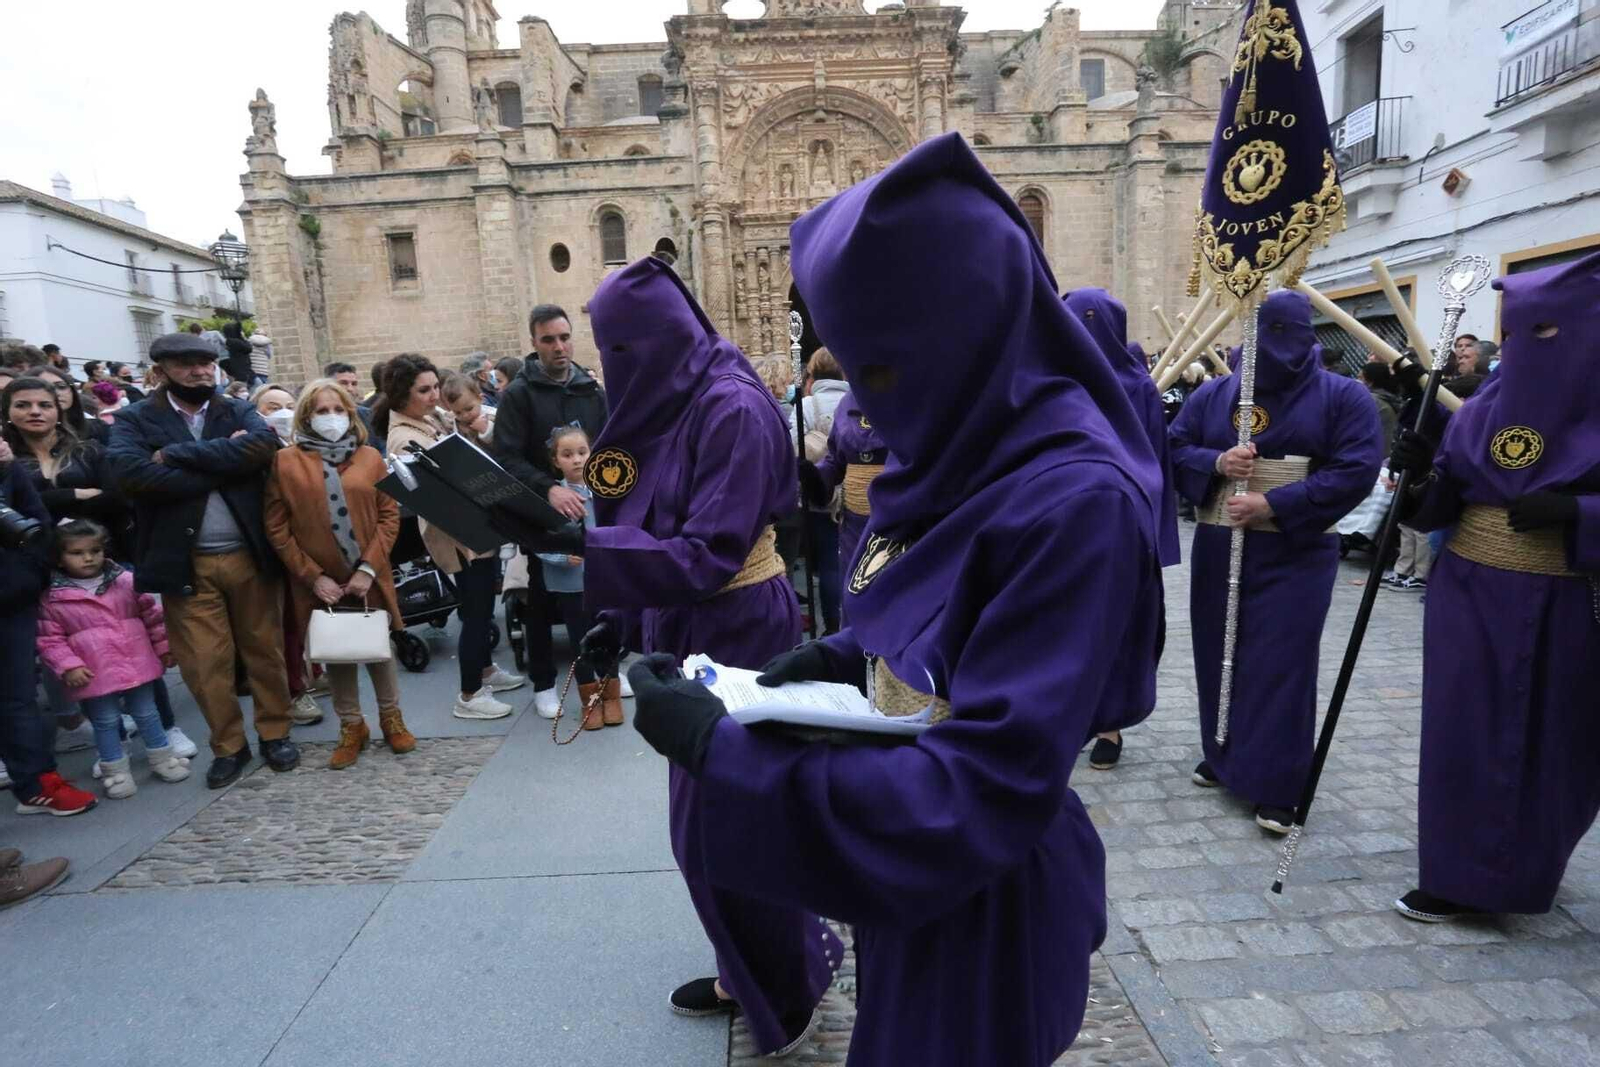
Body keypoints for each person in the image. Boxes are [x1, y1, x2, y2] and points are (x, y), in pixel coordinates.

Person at [621, 133, 1166, 1065]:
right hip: (915, 886)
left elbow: (984, 784)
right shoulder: (960, 446)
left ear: (963, 332)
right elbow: (931, 615)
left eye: (881, 370)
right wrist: (824, 662)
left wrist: (728, 756)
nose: (872, 403)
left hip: (983, 896)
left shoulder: (1076, 499)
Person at [574, 256, 836, 1058]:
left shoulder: (732, 407)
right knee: (705, 824)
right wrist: (617, 616)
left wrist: (584, 549)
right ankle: (744, 970)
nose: (615, 370)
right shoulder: (673, 399)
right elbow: (647, 516)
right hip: (682, 622)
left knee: (726, 825)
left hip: (735, 626)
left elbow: (706, 553)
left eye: (621, 351)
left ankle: (786, 991)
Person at [1387, 250, 1600, 923]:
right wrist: (1416, 476)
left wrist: (1578, 512)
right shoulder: (1481, 411)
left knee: (1551, 741)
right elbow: (1436, 509)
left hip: (1564, 601)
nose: (1519, 349)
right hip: (1468, 597)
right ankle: (1453, 873)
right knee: (1461, 731)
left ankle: (1526, 868)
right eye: (1511, 334)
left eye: (1541, 334)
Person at [1169, 290, 1383, 833]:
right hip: (1220, 543)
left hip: (1295, 550)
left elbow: (1357, 467)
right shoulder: (1216, 394)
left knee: (1279, 660)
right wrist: (1216, 460)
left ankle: (1276, 781)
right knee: (1220, 651)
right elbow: (1172, 447)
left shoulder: (1342, 397)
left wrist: (1276, 500)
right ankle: (1224, 754)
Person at [109, 332, 299, 788]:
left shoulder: (236, 409)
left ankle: (276, 733)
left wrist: (175, 456)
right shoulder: (135, 419)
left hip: (249, 556)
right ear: (161, 371)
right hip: (186, 563)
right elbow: (130, 475)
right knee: (205, 662)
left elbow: (261, 448)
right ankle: (229, 746)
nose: (199, 371)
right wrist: (222, 466)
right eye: (187, 364)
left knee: (265, 652)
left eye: (206, 363)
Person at [264, 379, 415, 770]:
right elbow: (277, 527)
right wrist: (313, 576)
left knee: (379, 648)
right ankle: (352, 725)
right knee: (339, 654)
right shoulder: (286, 462)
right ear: (306, 416)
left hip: (369, 575)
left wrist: (368, 568)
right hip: (320, 581)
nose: (330, 418)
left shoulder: (369, 458)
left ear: (350, 414)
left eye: (338, 410)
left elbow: (388, 515)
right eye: (321, 410)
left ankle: (391, 717)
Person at [1064, 288, 1179, 771]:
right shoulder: (1050, 381)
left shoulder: (1137, 386)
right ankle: (1066, 717)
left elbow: (1155, 461)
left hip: (1120, 522)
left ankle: (1109, 722)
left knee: (1117, 623)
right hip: (1062, 523)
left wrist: (1148, 529)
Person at [377, 353, 523, 719]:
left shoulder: (428, 419)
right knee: (475, 614)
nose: (433, 396)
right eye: (423, 390)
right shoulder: (403, 437)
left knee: (483, 604)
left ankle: (486, 669)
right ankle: (470, 695)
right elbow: (440, 485)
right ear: (400, 395)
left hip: (474, 526)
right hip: (457, 535)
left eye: (435, 387)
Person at [491, 306, 609, 716]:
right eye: (548, 339)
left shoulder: (590, 390)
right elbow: (505, 457)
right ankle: (544, 682)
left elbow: (608, 444)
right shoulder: (519, 395)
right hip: (539, 513)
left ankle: (606, 671)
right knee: (540, 601)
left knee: (600, 594)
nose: (559, 346)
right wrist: (549, 490)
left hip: (592, 508)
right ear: (534, 342)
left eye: (564, 337)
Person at [36, 519, 191, 798]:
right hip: (93, 670)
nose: (88, 557)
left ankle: (162, 757)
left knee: (147, 712)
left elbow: (152, 617)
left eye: (95, 550)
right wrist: (68, 665)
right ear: (59, 557)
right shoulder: (53, 598)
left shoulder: (126, 581)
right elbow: (49, 639)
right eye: (77, 552)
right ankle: (115, 770)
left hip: (136, 660)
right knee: (104, 720)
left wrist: (165, 647)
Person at [532, 424, 607, 727]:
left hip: (602, 579)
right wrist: (562, 556)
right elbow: (536, 540)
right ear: (555, 460)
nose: (576, 460)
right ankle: (590, 699)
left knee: (606, 633)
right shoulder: (553, 498)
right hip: (571, 584)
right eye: (567, 454)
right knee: (579, 640)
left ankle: (610, 692)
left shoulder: (602, 490)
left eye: (582, 452)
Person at [804, 380, 886, 619]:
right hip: (854, 528)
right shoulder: (848, 401)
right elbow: (835, 461)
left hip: (899, 519)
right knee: (855, 597)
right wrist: (816, 478)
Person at [789, 347, 848, 632]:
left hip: (817, 493)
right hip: (855, 493)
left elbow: (792, 446)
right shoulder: (856, 400)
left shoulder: (807, 405)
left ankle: (832, 625)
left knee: (827, 563)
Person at [325, 362, 380, 446]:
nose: (350, 388)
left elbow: (382, 448)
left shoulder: (367, 415)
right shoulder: (320, 417)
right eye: (343, 383)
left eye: (354, 384)